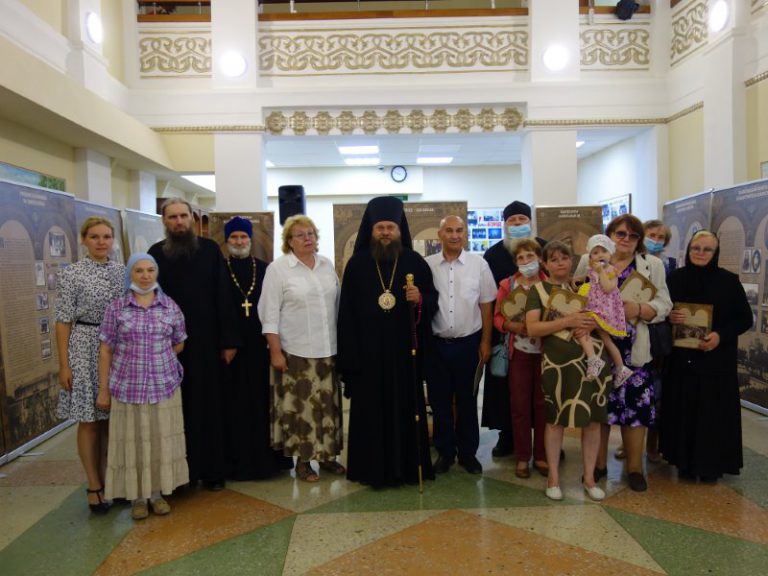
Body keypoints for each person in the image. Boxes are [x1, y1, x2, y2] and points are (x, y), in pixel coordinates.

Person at [337, 196, 437, 487]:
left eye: (390, 227)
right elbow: (346, 314)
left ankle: (407, 469)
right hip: (368, 358)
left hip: (404, 355)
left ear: (399, 230)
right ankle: (371, 470)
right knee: (371, 413)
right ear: (371, 230)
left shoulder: (414, 262)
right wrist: (351, 359)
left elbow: (432, 300)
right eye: (380, 227)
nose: (385, 232)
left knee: (406, 410)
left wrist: (420, 299)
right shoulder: (356, 265)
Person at [148, 198, 240, 491]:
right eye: (172, 217)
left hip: (207, 343)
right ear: (164, 221)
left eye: (183, 216)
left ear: (192, 219)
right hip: (168, 347)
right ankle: (180, 476)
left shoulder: (210, 250)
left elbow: (224, 295)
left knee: (210, 407)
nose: (179, 222)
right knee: (176, 410)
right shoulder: (155, 254)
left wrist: (228, 341)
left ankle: (212, 471)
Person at [96, 254, 189, 520]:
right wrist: (103, 389)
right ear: (130, 274)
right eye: (139, 271)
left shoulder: (170, 306)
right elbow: (106, 349)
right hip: (128, 386)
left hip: (163, 384)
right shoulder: (117, 308)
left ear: (157, 273)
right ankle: (137, 498)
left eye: (150, 270)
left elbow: (179, 342)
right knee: (134, 441)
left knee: (159, 439)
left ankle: (157, 494)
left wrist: (157, 356)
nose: (145, 276)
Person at [586, 214, 672, 492]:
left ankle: (634, 468)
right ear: (609, 234)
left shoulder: (651, 265)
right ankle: (598, 464)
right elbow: (579, 292)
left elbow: (664, 303)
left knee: (636, 408)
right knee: (599, 407)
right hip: (599, 345)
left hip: (635, 347)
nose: (626, 239)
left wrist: (641, 309)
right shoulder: (592, 258)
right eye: (620, 233)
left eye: (633, 235)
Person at [257, 215, 344, 482]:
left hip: (328, 348)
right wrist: (275, 351)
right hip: (295, 351)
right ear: (289, 241)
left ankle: (327, 457)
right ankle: (303, 462)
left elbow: (338, 306)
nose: (307, 239)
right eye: (300, 235)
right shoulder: (279, 269)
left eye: (311, 234)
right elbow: (269, 314)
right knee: (301, 410)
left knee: (327, 407)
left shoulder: (326, 265)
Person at [661, 231, 752, 482]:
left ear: (716, 253)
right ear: (689, 250)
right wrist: (670, 317)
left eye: (707, 249)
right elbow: (660, 312)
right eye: (696, 248)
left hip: (715, 361)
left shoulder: (729, 282)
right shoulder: (675, 279)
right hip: (682, 361)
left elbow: (744, 318)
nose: (700, 253)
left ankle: (711, 466)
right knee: (684, 410)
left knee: (712, 413)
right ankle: (684, 463)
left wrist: (720, 335)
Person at [525, 241, 612, 501]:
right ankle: (553, 477)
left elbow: (610, 316)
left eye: (564, 258)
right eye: (554, 259)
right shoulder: (538, 290)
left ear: (572, 260)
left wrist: (594, 323)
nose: (560, 263)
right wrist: (568, 321)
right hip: (558, 363)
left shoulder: (585, 285)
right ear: (545, 264)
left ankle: (589, 477)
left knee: (593, 420)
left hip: (593, 361)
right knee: (555, 419)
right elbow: (532, 329)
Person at [55, 216, 124, 513]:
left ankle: (110, 480)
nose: (101, 242)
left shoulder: (122, 272)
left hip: (117, 347)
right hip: (85, 347)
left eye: (106, 236)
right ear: (84, 240)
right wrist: (64, 365)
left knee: (111, 420)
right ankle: (94, 485)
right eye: (94, 236)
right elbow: (62, 321)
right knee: (89, 420)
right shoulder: (72, 274)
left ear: (113, 240)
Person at [425, 215, 496, 475]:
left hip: (469, 344)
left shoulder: (479, 264)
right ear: (440, 234)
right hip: (437, 346)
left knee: (467, 400)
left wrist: (486, 342)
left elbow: (486, 305)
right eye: (449, 230)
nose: (455, 235)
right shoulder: (428, 265)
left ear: (465, 234)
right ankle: (445, 452)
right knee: (440, 402)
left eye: (459, 230)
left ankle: (468, 454)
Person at [222, 217, 292, 480]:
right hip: (234, 349)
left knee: (265, 404)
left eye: (243, 237)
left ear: (250, 240)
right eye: (234, 237)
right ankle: (238, 464)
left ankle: (269, 462)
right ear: (227, 241)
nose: (239, 241)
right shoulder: (220, 270)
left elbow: (278, 307)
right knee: (236, 405)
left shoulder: (265, 270)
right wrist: (226, 342)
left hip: (262, 346)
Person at [482, 201, 546, 457]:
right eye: (512, 220)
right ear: (505, 224)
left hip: (543, 337)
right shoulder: (493, 254)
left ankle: (543, 442)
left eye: (522, 219)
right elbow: (488, 298)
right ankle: (506, 436)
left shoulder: (543, 247)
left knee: (541, 394)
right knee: (505, 390)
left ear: (530, 222)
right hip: (506, 336)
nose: (518, 223)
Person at [493, 239, 548, 479]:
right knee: (520, 406)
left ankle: (543, 455)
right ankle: (523, 456)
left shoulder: (550, 284)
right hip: (519, 353)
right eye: (521, 258)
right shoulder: (508, 285)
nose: (526, 262)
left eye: (530, 256)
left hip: (546, 354)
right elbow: (497, 317)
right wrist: (514, 326)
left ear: (540, 258)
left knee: (543, 406)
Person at [641, 219, 677, 462]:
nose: (655, 240)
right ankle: (628, 444)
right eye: (651, 235)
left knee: (657, 390)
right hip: (634, 328)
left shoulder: (670, 265)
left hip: (660, 333)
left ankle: (652, 444)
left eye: (660, 237)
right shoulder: (630, 262)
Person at [576, 235, 633, 386]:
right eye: (595, 252)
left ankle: (593, 359)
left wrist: (601, 272)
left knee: (582, 329)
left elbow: (608, 288)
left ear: (610, 254)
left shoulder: (612, 271)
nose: (600, 255)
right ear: (590, 257)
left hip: (604, 310)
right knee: (606, 339)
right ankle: (621, 367)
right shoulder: (592, 269)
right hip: (594, 306)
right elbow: (591, 284)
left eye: (604, 251)